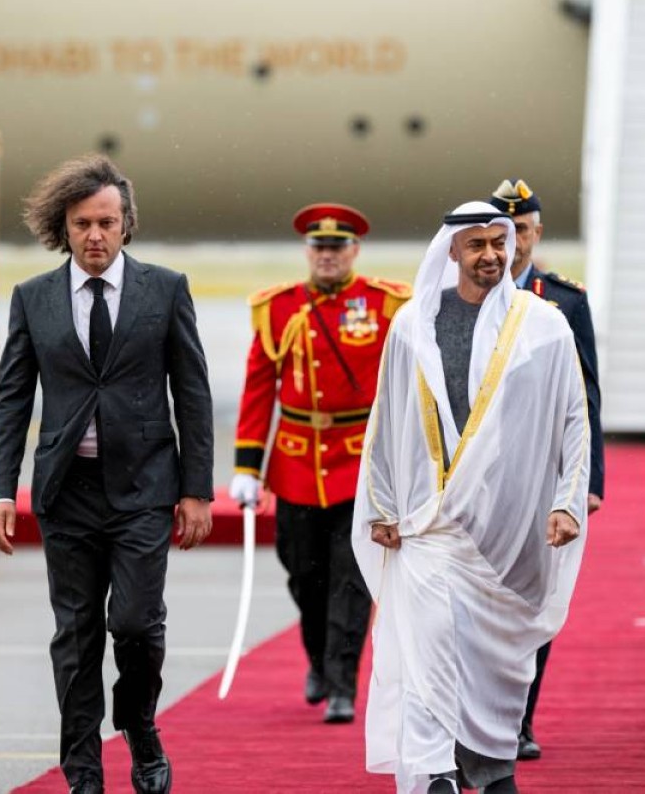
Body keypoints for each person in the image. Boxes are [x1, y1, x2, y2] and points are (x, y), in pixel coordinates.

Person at [0, 155, 214, 794]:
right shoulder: (33, 299)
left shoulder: (165, 290)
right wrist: (1, 490)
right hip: (68, 493)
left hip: (144, 489)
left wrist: (197, 490)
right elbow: (12, 400)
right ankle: (83, 772)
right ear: (64, 226)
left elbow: (192, 394)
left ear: (126, 224)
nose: (94, 235)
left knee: (136, 624)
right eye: (82, 223)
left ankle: (138, 724)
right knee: (77, 638)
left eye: (106, 223)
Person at [352, 202, 589, 794]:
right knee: (428, 647)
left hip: (508, 527)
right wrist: (381, 506)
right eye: (477, 244)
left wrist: (568, 501)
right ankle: (436, 772)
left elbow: (573, 418)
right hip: (427, 523)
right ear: (452, 250)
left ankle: (492, 768)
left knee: (494, 663)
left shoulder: (544, 324)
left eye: (498, 243)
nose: (490, 255)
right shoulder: (412, 323)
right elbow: (386, 419)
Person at [228, 203, 411, 724]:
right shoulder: (279, 308)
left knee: (351, 577)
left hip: (359, 461)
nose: (327, 256)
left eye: (337, 247)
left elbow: (404, 384)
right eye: (319, 247)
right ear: (308, 252)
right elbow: (259, 388)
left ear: (354, 250)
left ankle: (341, 683)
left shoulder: (385, 304)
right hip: (296, 462)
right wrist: (247, 467)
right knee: (303, 573)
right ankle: (318, 657)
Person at [488, 177, 603, 761]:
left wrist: (588, 482)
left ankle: (519, 720)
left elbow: (586, 398)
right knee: (477, 599)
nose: (512, 242)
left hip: (541, 477)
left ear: (536, 234)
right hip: (477, 477)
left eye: (522, 230)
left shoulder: (565, 302)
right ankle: (478, 717)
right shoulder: (459, 296)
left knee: (533, 600)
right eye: (502, 232)